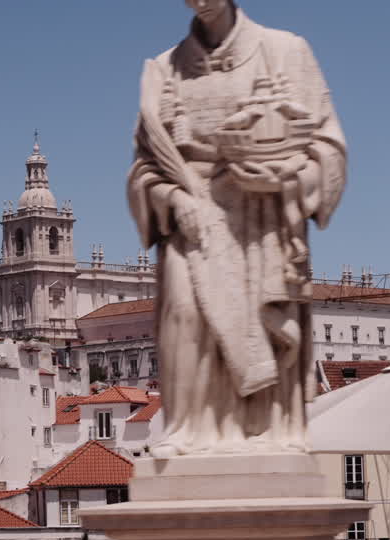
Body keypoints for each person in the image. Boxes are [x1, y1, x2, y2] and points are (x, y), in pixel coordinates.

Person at [126, 0, 347, 456]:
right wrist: (172, 197)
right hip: (191, 214)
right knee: (186, 315)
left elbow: (328, 147)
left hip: (264, 216)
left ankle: (270, 430)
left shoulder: (285, 51)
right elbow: (144, 167)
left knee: (265, 326)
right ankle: (190, 430)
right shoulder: (165, 68)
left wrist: (286, 178)